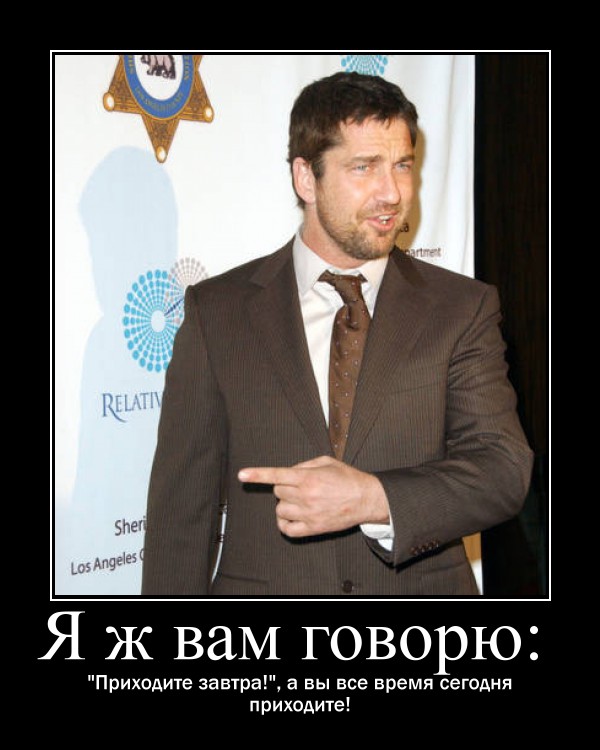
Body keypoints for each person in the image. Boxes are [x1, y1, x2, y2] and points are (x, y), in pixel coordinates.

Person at [141, 71, 533, 596]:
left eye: (402, 165)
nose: (392, 193)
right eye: (364, 167)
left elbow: (502, 469)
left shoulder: (462, 308)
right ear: (306, 178)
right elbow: (180, 515)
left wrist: (373, 499)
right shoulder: (219, 312)